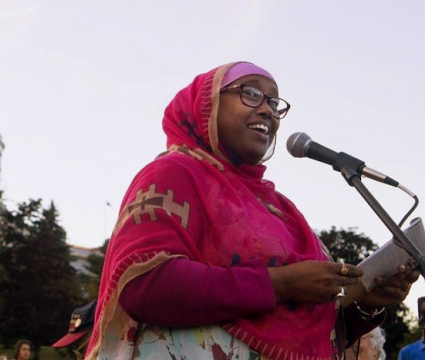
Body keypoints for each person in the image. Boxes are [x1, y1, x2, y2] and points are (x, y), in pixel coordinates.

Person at [84, 62, 419, 360]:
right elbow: (145, 285)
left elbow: (311, 329)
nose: (269, 111)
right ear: (207, 105)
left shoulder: (281, 210)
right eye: (251, 93)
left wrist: (367, 303)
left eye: (274, 103)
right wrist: (281, 284)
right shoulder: (176, 172)